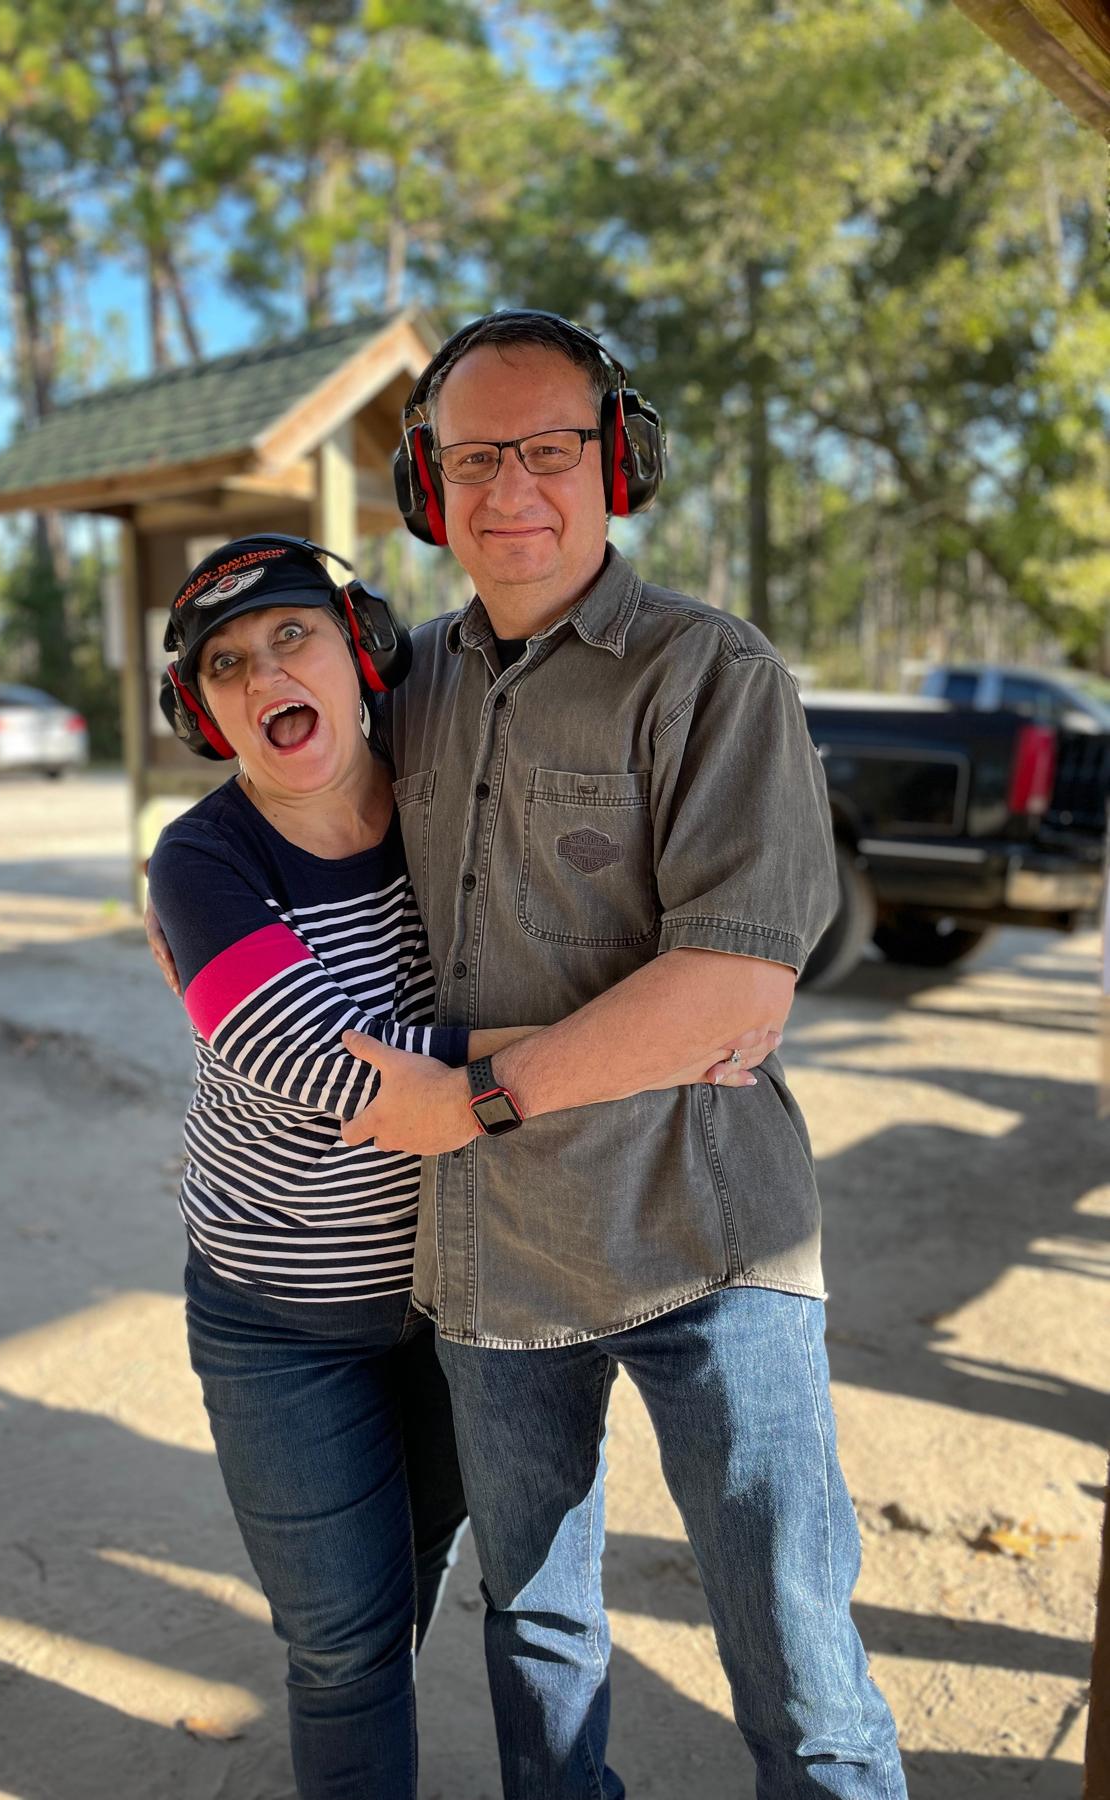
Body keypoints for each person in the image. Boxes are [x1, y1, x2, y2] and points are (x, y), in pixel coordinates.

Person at [330, 311, 909, 1798]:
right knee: (536, 1634)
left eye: (548, 449)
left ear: (619, 464)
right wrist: (186, 893)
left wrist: (476, 1095)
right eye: (473, 458)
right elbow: (286, 810)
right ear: (425, 484)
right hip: (495, 1260)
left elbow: (729, 987)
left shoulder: (711, 673)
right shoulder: (409, 686)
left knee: (796, 1662)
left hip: (704, 1237)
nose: (510, 487)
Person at [144, 529, 770, 1800]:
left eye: (292, 635)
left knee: (412, 1602)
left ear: (362, 648)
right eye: (226, 665)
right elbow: (330, 1068)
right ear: (203, 713)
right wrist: (637, 1042)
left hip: (454, 1302)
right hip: (282, 1319)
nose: (266, 676)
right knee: (344, 1647)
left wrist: (670, 1007)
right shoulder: (201, 862)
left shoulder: (450, 810)